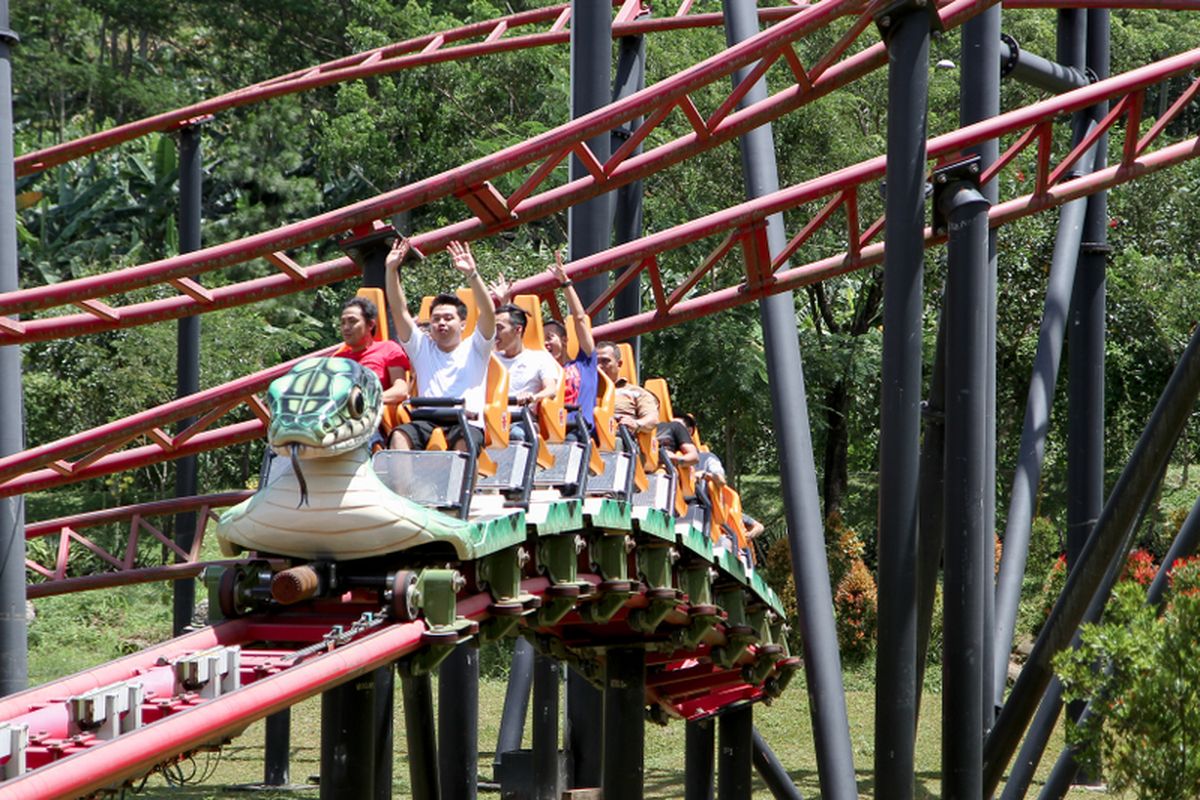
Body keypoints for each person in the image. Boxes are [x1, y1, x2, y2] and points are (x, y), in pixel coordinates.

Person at [385, 237, 496, 452]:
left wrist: (472, 275)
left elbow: (489, 313)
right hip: (426, 420)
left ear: (463, 324)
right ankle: (403, 486)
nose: (441, 323)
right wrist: (391, 271)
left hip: (465, 421)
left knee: (466, 443)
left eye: (447, 318)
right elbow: (399, 311)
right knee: (399, 435)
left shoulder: (476, 347)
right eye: (436, 319)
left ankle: (461, 486)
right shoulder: (422, 348)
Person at [541, 252, 597, 442]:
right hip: (546, 430)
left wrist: (565, 283)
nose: (545, 343)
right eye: (541, 340)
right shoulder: (540, 369)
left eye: (550, 338)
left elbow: (580, 319)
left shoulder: (584, 363)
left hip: (576, 431)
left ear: (565, 340)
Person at [492, 301, 561, 440]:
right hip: (490, 417)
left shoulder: (539, 358)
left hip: (520, 419)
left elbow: (551, 389)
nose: (495, 334)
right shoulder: (491, 359)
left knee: (516, 435)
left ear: (518, 330)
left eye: (499, 328)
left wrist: (532, 397)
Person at [336, 296, 411, 407]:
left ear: (370, 325)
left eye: (352, 321)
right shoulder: (338, 359)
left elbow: (401, 390)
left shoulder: (388, 349)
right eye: (343, 323)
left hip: (375, 415)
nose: (346, 327)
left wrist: (365, 400)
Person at [595, 340, 658, 434]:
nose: (599, 366)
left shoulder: (636, 392)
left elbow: (652, 419)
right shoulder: (585, 389)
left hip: (619, 437)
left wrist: (636, 424)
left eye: (605, 361)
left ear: (619, 364)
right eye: (595, 362)